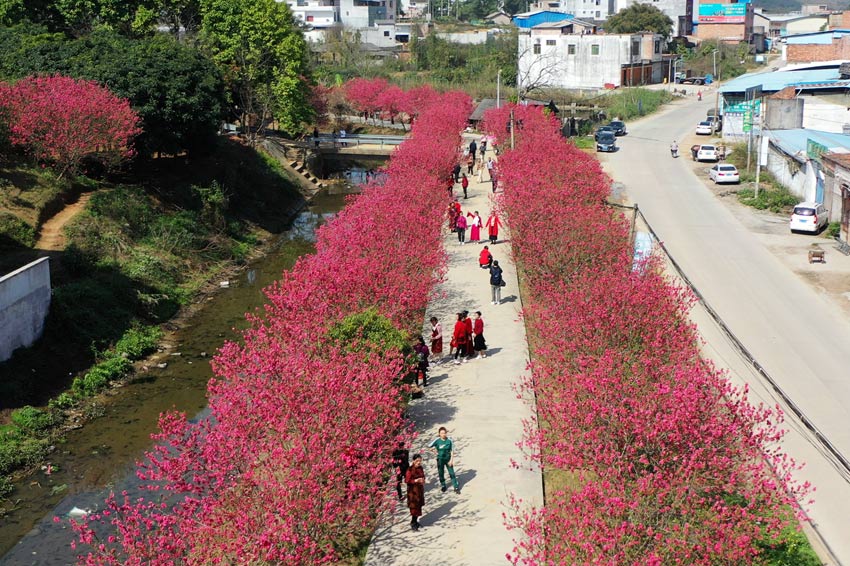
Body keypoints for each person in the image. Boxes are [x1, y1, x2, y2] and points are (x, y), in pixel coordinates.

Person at [428, 427, 460, 494]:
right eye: (441, 433)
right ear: (439, 434)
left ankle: (456, 487)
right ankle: (443, 485)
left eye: (444, 433)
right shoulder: (437, 440)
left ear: (446, 433)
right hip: (440, 460)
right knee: (441, 473)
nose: (443, 434)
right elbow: (429, 446)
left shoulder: (449, 440)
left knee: (452, 473)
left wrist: (451, 460)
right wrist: (434, 451)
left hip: (448, 459)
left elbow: (452, 451)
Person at [405, 454, 426, 531]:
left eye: (420, 461)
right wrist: (415, 480)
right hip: (413, 492)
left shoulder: (420, 468)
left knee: (419, 506)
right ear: (413, 461)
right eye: (417, 461)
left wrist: (423, 479)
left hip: (419, 490)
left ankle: (415, 521)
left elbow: (423, 476)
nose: (419, 462)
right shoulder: (410, 470)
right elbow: (407, 480)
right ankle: (413, 522)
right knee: (414, 508)